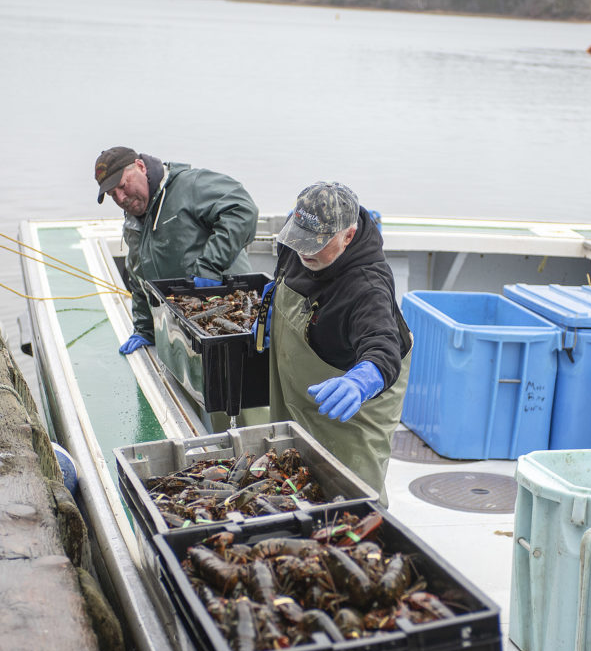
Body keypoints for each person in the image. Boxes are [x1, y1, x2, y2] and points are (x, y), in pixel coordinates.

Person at [256, 182, 411, 505]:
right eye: (298, 238)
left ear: (349, 235)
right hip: (303, 376)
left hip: (355, 399)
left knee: (351, 490)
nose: (303, 251)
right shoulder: (297, 239)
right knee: (289, 466)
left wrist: (361, 381)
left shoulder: (367, 286)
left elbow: (383, 345)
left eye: (315, 244)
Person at [93, 146, 259, 354]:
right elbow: (139, 276)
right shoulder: (134, 218)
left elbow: (242, 209)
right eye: (112, 194)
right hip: (182, 327)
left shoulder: (190, 185)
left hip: (232, 315)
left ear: (141, 167)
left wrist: (210, 265)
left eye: (123, 185)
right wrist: (145, 330)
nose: (121, 198)